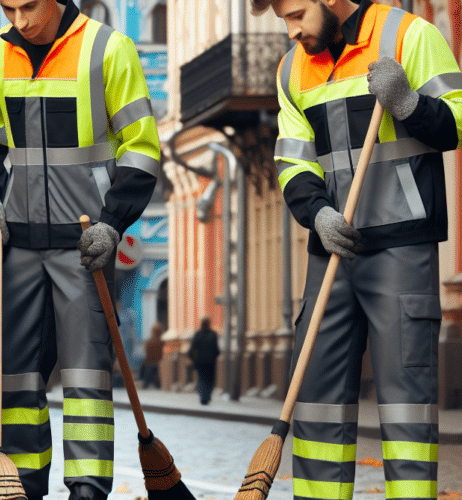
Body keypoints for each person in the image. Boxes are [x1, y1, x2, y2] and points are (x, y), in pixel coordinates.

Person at [250, 0, 462, 498]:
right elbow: (292, 160)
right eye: (283, 18)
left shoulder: (411, 37)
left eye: (297, 13)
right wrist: (317, 213)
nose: (291, 29)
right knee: (318, 401)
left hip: (401, 247)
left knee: (406, 403)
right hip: (331, 250)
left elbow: (456, 121)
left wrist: (410, 104)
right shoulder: (292, 68)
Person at [0, 0, 161, 497]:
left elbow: (141, 145)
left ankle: (87, 487)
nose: (20, 21)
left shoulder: (108, 49)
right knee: (18, 377)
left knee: (85, 374)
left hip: (85, 243)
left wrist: (113, 223)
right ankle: (22, 483)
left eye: (29, 7)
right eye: (8, 8)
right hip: (19, 243)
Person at [188, 317, 219, 405]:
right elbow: (216, 349)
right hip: (210, 362)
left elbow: (191, 350)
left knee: (201, 379)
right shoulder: (213, 334)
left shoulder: (197, 334)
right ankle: (207, 396)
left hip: (200, 362)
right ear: (209, 324)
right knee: (210, 380)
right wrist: (214, 356)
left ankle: (203, 396)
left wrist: (193, 359)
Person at [140, 322, 164, 389]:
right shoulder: (161, 342)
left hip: (152, 365)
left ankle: (145, 384)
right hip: (156, 365)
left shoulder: (150, 342)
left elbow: (147, 353)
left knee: (147, 378)